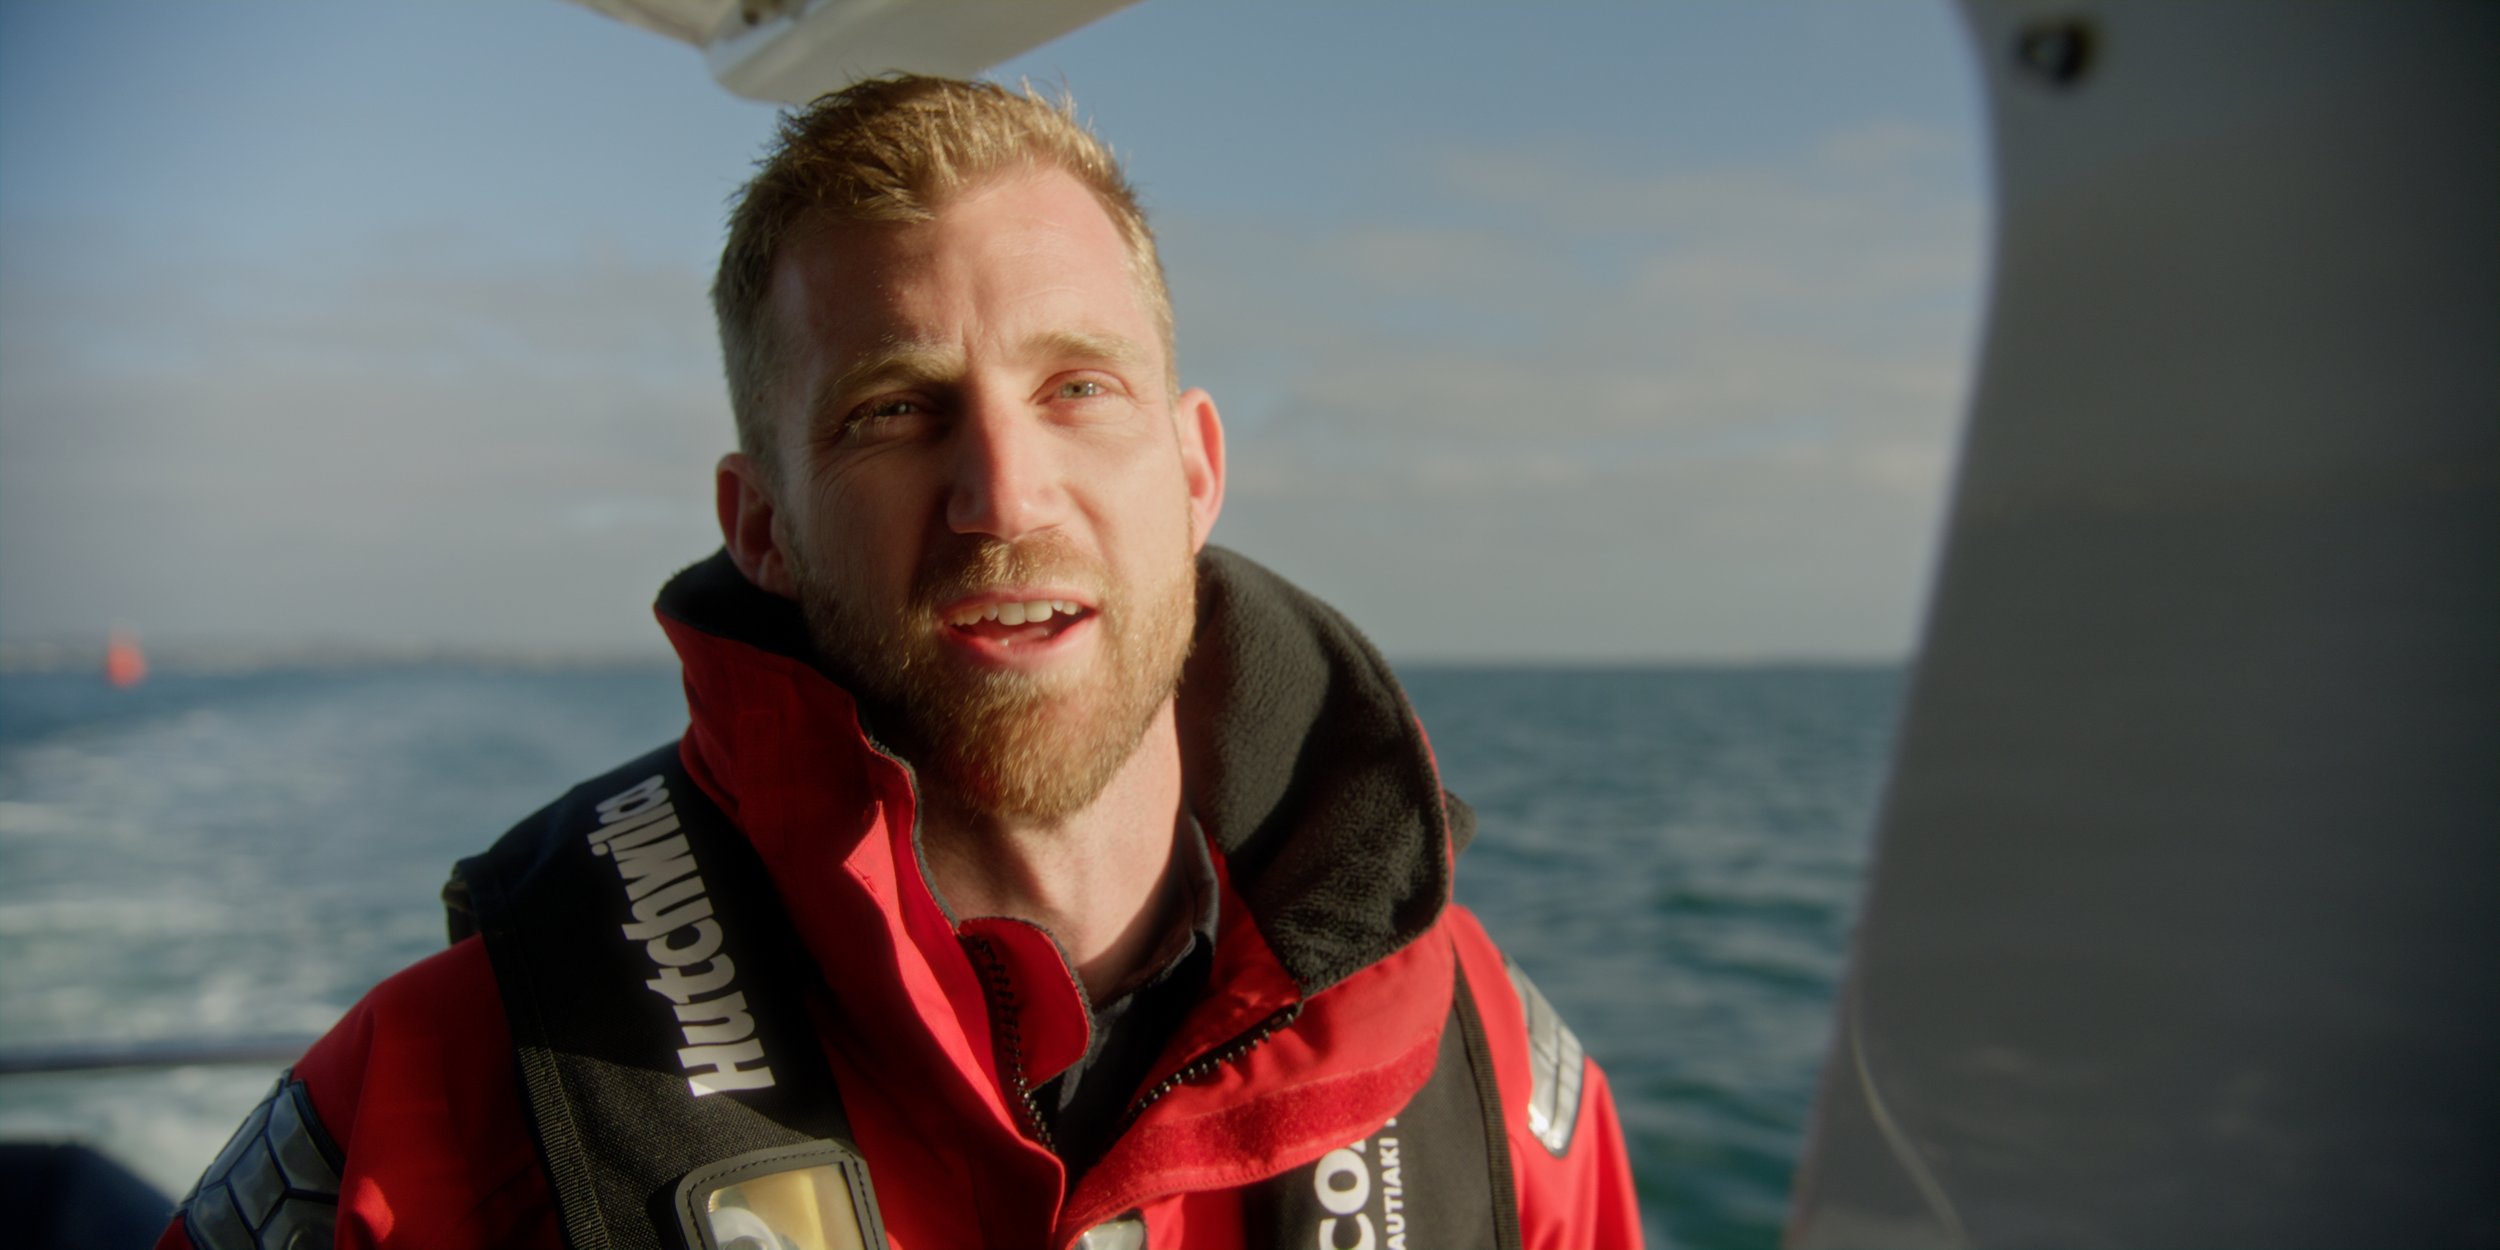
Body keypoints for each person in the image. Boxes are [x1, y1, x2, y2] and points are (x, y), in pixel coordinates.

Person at [159, 74, 1640, 1250]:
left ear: (1194, 467)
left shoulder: (1478, 1064)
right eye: (893, 411)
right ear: (762, 526)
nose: (1005, 495)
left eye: (1078, 388)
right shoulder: (458, 1096)